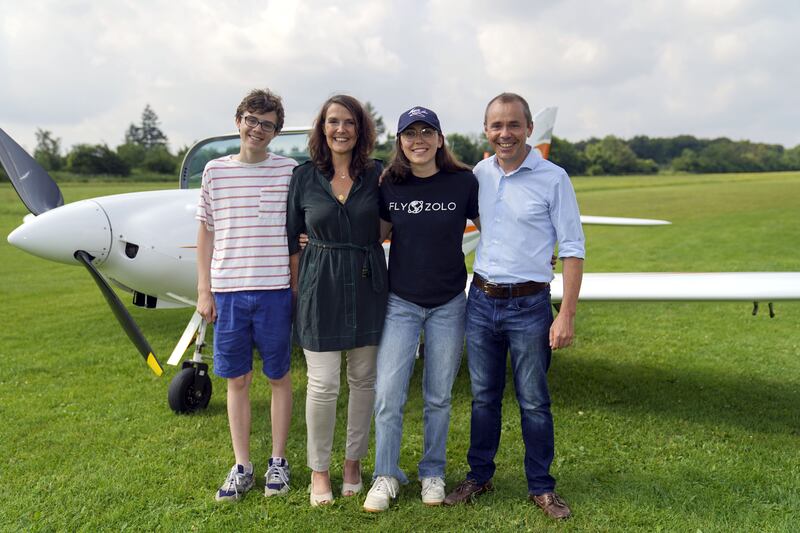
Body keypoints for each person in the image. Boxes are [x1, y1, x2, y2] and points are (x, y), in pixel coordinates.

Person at [443, 93, 585, 520]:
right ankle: (479, 475)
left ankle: (541, 486)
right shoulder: (477, 175)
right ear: (486, 130)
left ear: (528, 129)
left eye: (513, 125)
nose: (505, 133)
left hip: (530, 306)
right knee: (483, 398)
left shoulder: (553, 177)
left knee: (534, 401)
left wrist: (566, 315)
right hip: (482, 302)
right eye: (496, 126)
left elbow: (574, 248)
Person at [363, 107, 479, 512]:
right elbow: (373, 237)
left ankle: (433, 472)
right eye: (409, 133)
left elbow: (497, 229)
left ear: (440, 139)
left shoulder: (463, 182)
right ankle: (385, 474)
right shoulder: (389, 185)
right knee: (388, 395)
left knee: (438, 396)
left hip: (449, 302)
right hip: (401, 302)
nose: (419, 140)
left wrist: (540, 252)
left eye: (426, 132)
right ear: (399, 142)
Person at [286, 94, 388, 507]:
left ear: (360, 129)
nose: (340, 129)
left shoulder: (378, 174)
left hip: (367, 283)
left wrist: (359, 242)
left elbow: (388, 221)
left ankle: (353, 463)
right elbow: (293, 239)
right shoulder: (304, 176)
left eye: (349, 122)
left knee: (363, 381)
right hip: (319, 288)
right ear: (322, 128)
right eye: (333, 121)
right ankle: (319, 470)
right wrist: (298, 292)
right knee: (323, 384)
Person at [196, 88, 295, 502]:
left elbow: (300, 227)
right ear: (239, 120)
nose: (258, 129)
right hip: (229, 291)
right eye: (252, 120)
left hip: (275, 291)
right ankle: (242, 466)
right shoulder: (214, 171)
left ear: (276, 131)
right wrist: (205, 289)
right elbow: (206, 229)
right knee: (236, 380)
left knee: (279, 378)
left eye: (267, 124)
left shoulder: (290, 170)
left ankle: (278, 462)